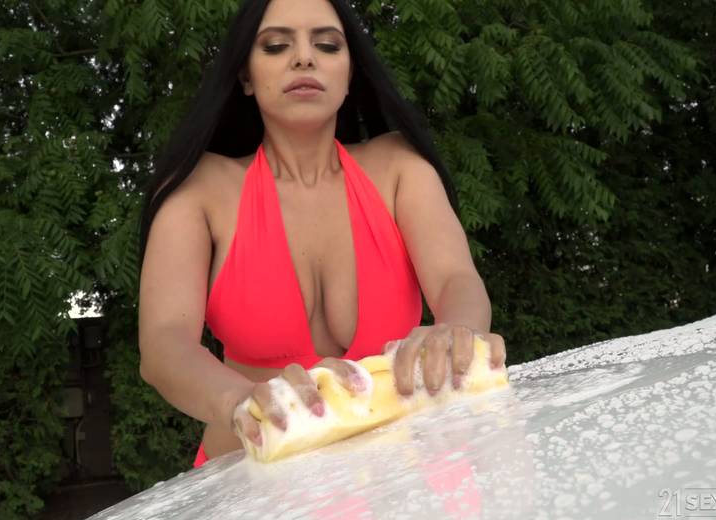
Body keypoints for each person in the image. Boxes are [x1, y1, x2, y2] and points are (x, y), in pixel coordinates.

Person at [137, 0, 507, 469]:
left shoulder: (399, 169)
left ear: (349, 74)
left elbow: (457, 278)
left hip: (400, 476)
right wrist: (243, 401)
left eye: (327, 45)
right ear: (245, 76)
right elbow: (165, 342)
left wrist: (456, 331)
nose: (304, 58)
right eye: (276, 46)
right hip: (253, 482)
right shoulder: (201, 191)